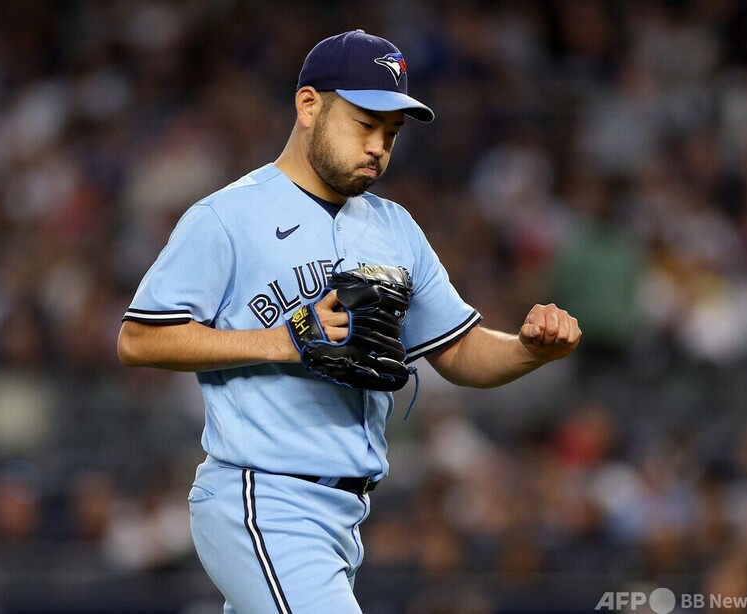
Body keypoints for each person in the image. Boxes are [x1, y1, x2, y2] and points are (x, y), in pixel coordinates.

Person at [117, 29, 581, 614]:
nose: (379, 147)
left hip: (344, 516)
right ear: (310, 104)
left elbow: (459, 351)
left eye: (391, 133)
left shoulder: (394, 228)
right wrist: (282, 342)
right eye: (365, 123)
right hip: (263, 497)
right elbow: (138, 338)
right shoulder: (227, 217)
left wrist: (529, 348)